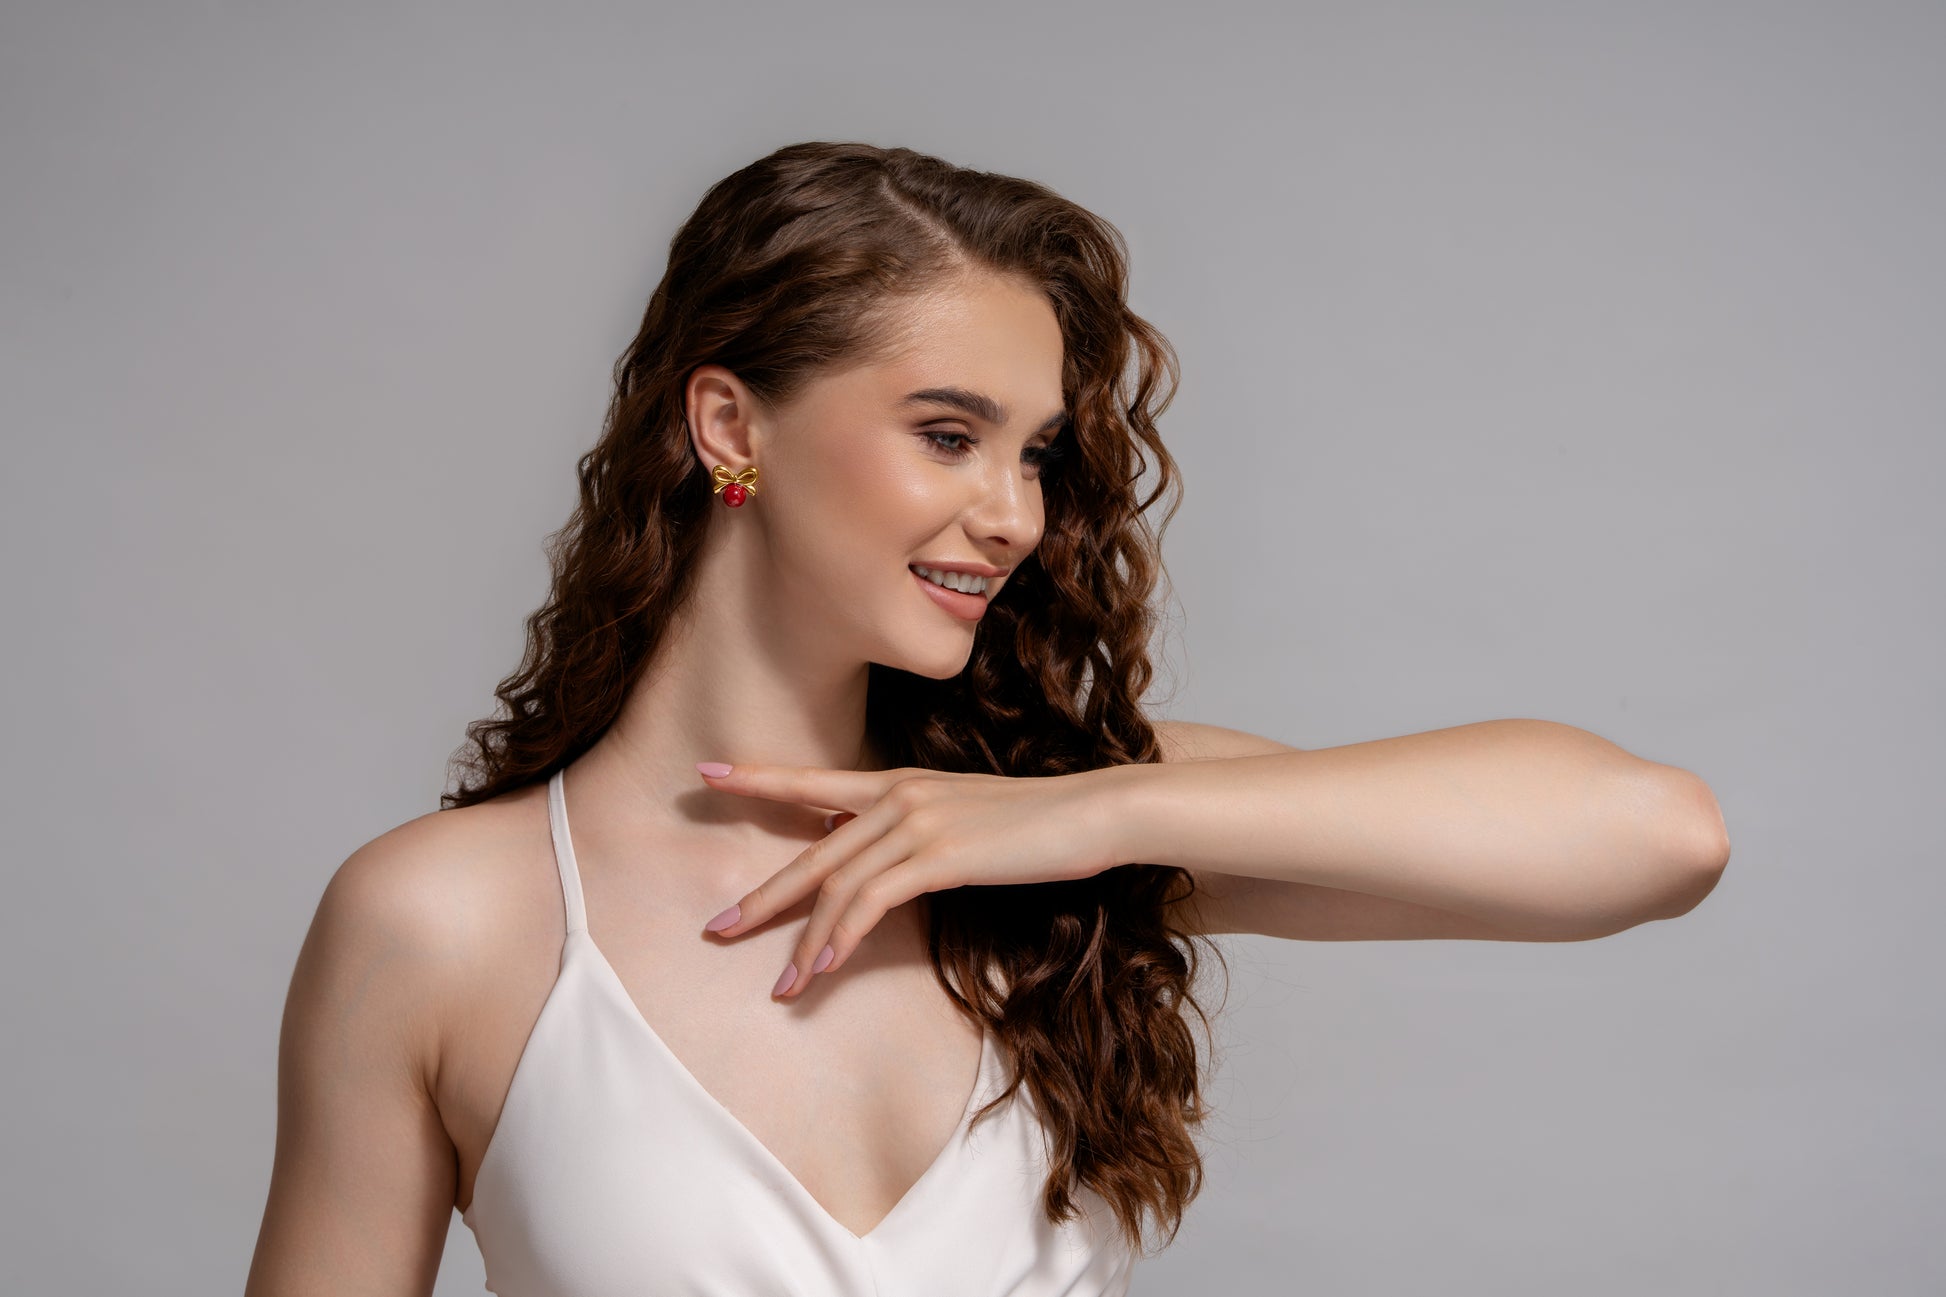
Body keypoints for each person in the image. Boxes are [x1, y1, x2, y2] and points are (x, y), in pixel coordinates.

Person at [244, 142, 1731, 1296]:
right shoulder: (444, 924)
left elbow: (1654, 836)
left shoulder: (1056, 822)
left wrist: (1090, 811)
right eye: (946, 435)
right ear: (729, 426)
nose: (1013, 511)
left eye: (1035, 455)